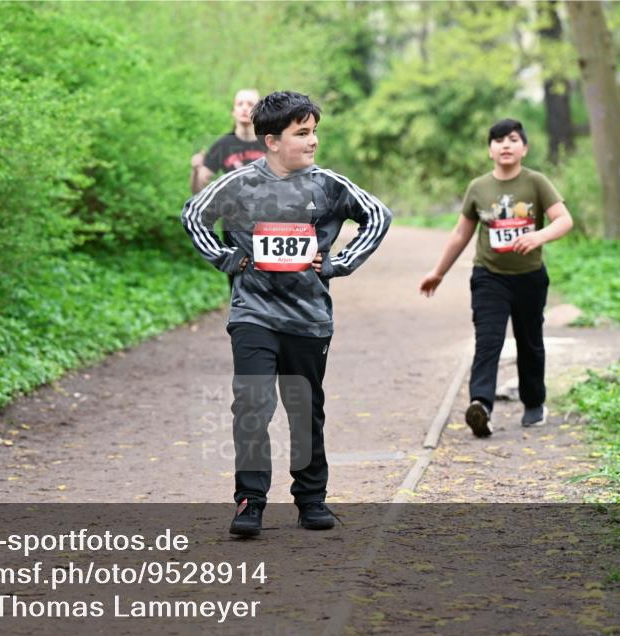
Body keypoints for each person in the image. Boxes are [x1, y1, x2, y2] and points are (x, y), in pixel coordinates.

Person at [181, 91, 392, 537]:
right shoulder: (238, 184)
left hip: (308, 317)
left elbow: (377, 216)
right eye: (302, 133)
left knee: (305, 407)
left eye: (314, 131)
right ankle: (250, 501)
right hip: (252, 313)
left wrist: (340, 263)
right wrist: (225, 257)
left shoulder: (329, 184)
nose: (313, 141)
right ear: (272, 140)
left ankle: (312, 499)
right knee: (252, 406)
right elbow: (193, 214)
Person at [419, 118, 573, 438]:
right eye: (498, 140)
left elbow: (564, 220)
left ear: (524, 148)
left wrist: (539, 237)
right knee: (488, 341)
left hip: (530, 277)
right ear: (490, 150)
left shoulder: (536, 182)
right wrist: (438, 272)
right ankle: (481, 405)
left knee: (529, 342)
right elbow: (462, 232)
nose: (506, 145)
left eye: (513, 139)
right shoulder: (479, 188)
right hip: (489, 276)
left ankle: (534, 404)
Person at [189, 89, 265, 196]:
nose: (244, 108)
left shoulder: (271, 144)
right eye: (240, 104)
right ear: (233, 111)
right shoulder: (223, 145)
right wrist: (195, 171)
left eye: (250, 104)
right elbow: (197, 191)